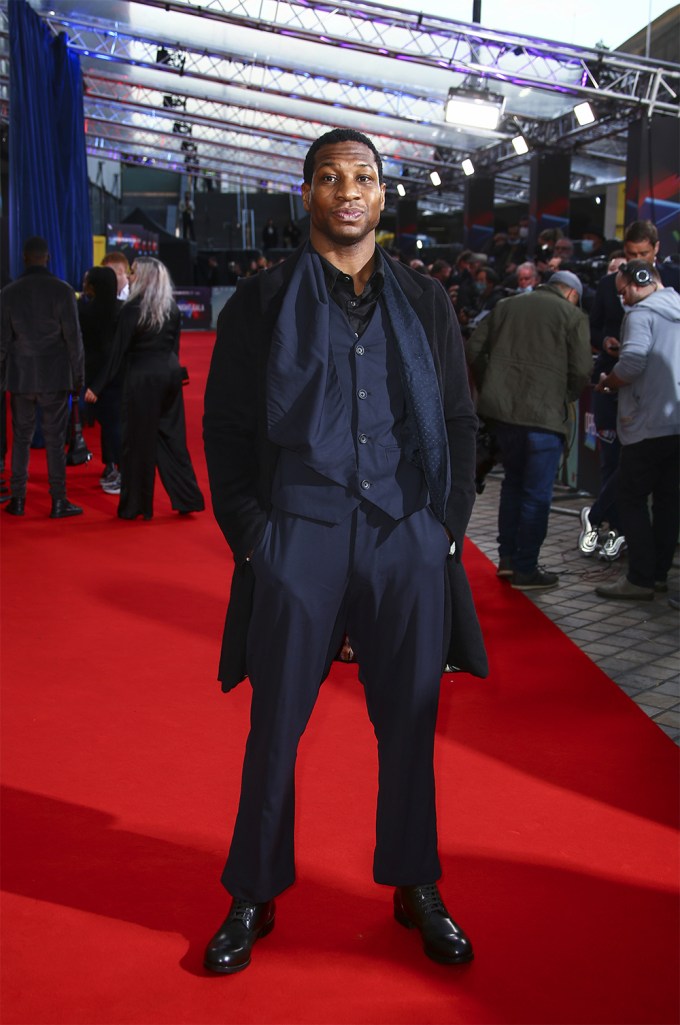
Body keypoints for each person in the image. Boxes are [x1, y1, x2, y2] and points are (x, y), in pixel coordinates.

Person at [202, 127, 487, 975]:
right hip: (300, 529)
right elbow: (224, 428)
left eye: (363, 176)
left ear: (382, 195)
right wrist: (257, 539)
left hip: (407, 532)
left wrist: (445, 526)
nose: (349, 190)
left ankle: (415, 882)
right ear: (308, 193)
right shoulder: (259, 302)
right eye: (331, 177)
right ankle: (253, 889)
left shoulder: (427, 299)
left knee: (411, 721)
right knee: (275, 724)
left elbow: (462, 424)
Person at [465, 269, 592, 589]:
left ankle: (506, 559)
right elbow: (581, 371)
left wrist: (490, 383)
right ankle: (526, 568)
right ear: (572, 294)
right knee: (536, 495)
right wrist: (565, 397)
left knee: (512, 485)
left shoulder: (508, 305)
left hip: (502, 416)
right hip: (544, 420)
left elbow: (473, 349)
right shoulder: (572, 315)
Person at [85, 257, 205, 520]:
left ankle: (136, 506)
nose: (130, 276)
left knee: (136, 443)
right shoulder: (171, 308)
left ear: (147, 277)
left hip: (141, 380)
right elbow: (174, 348)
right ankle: (188, 498)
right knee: (173, 439)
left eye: (135, 273)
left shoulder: (131, 310)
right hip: (170, 376)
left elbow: (117, 354)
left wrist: (96, 386)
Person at [593, 260, 680, 600]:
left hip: (646, 424)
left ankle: (640, 578)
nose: (623, 301)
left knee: (629, 498)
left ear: (642, 281)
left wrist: (609, 382)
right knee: (668, 502)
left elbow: (632, 364)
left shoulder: (642, 314)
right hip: (675, 425)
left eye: (624, 291)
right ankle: (657, 575)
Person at [1, 236, 84, 518]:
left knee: (21, 439)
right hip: (55, 376)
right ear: (47, 258)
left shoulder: (8, 293)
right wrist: (79, 377)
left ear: (24, 258)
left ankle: (18, 499)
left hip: (21, 377)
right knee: (54, 439)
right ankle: (58, 501)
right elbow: (74, 339)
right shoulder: (62, 291)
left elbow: (2, 342)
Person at [77, 266, 123, 492]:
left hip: (95, 375)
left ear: (93, 287)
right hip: (118, 374)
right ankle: (115, 467)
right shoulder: (122, 310)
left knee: (110, 424)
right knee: (114, 423)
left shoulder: (84, 311)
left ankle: (117, 468)